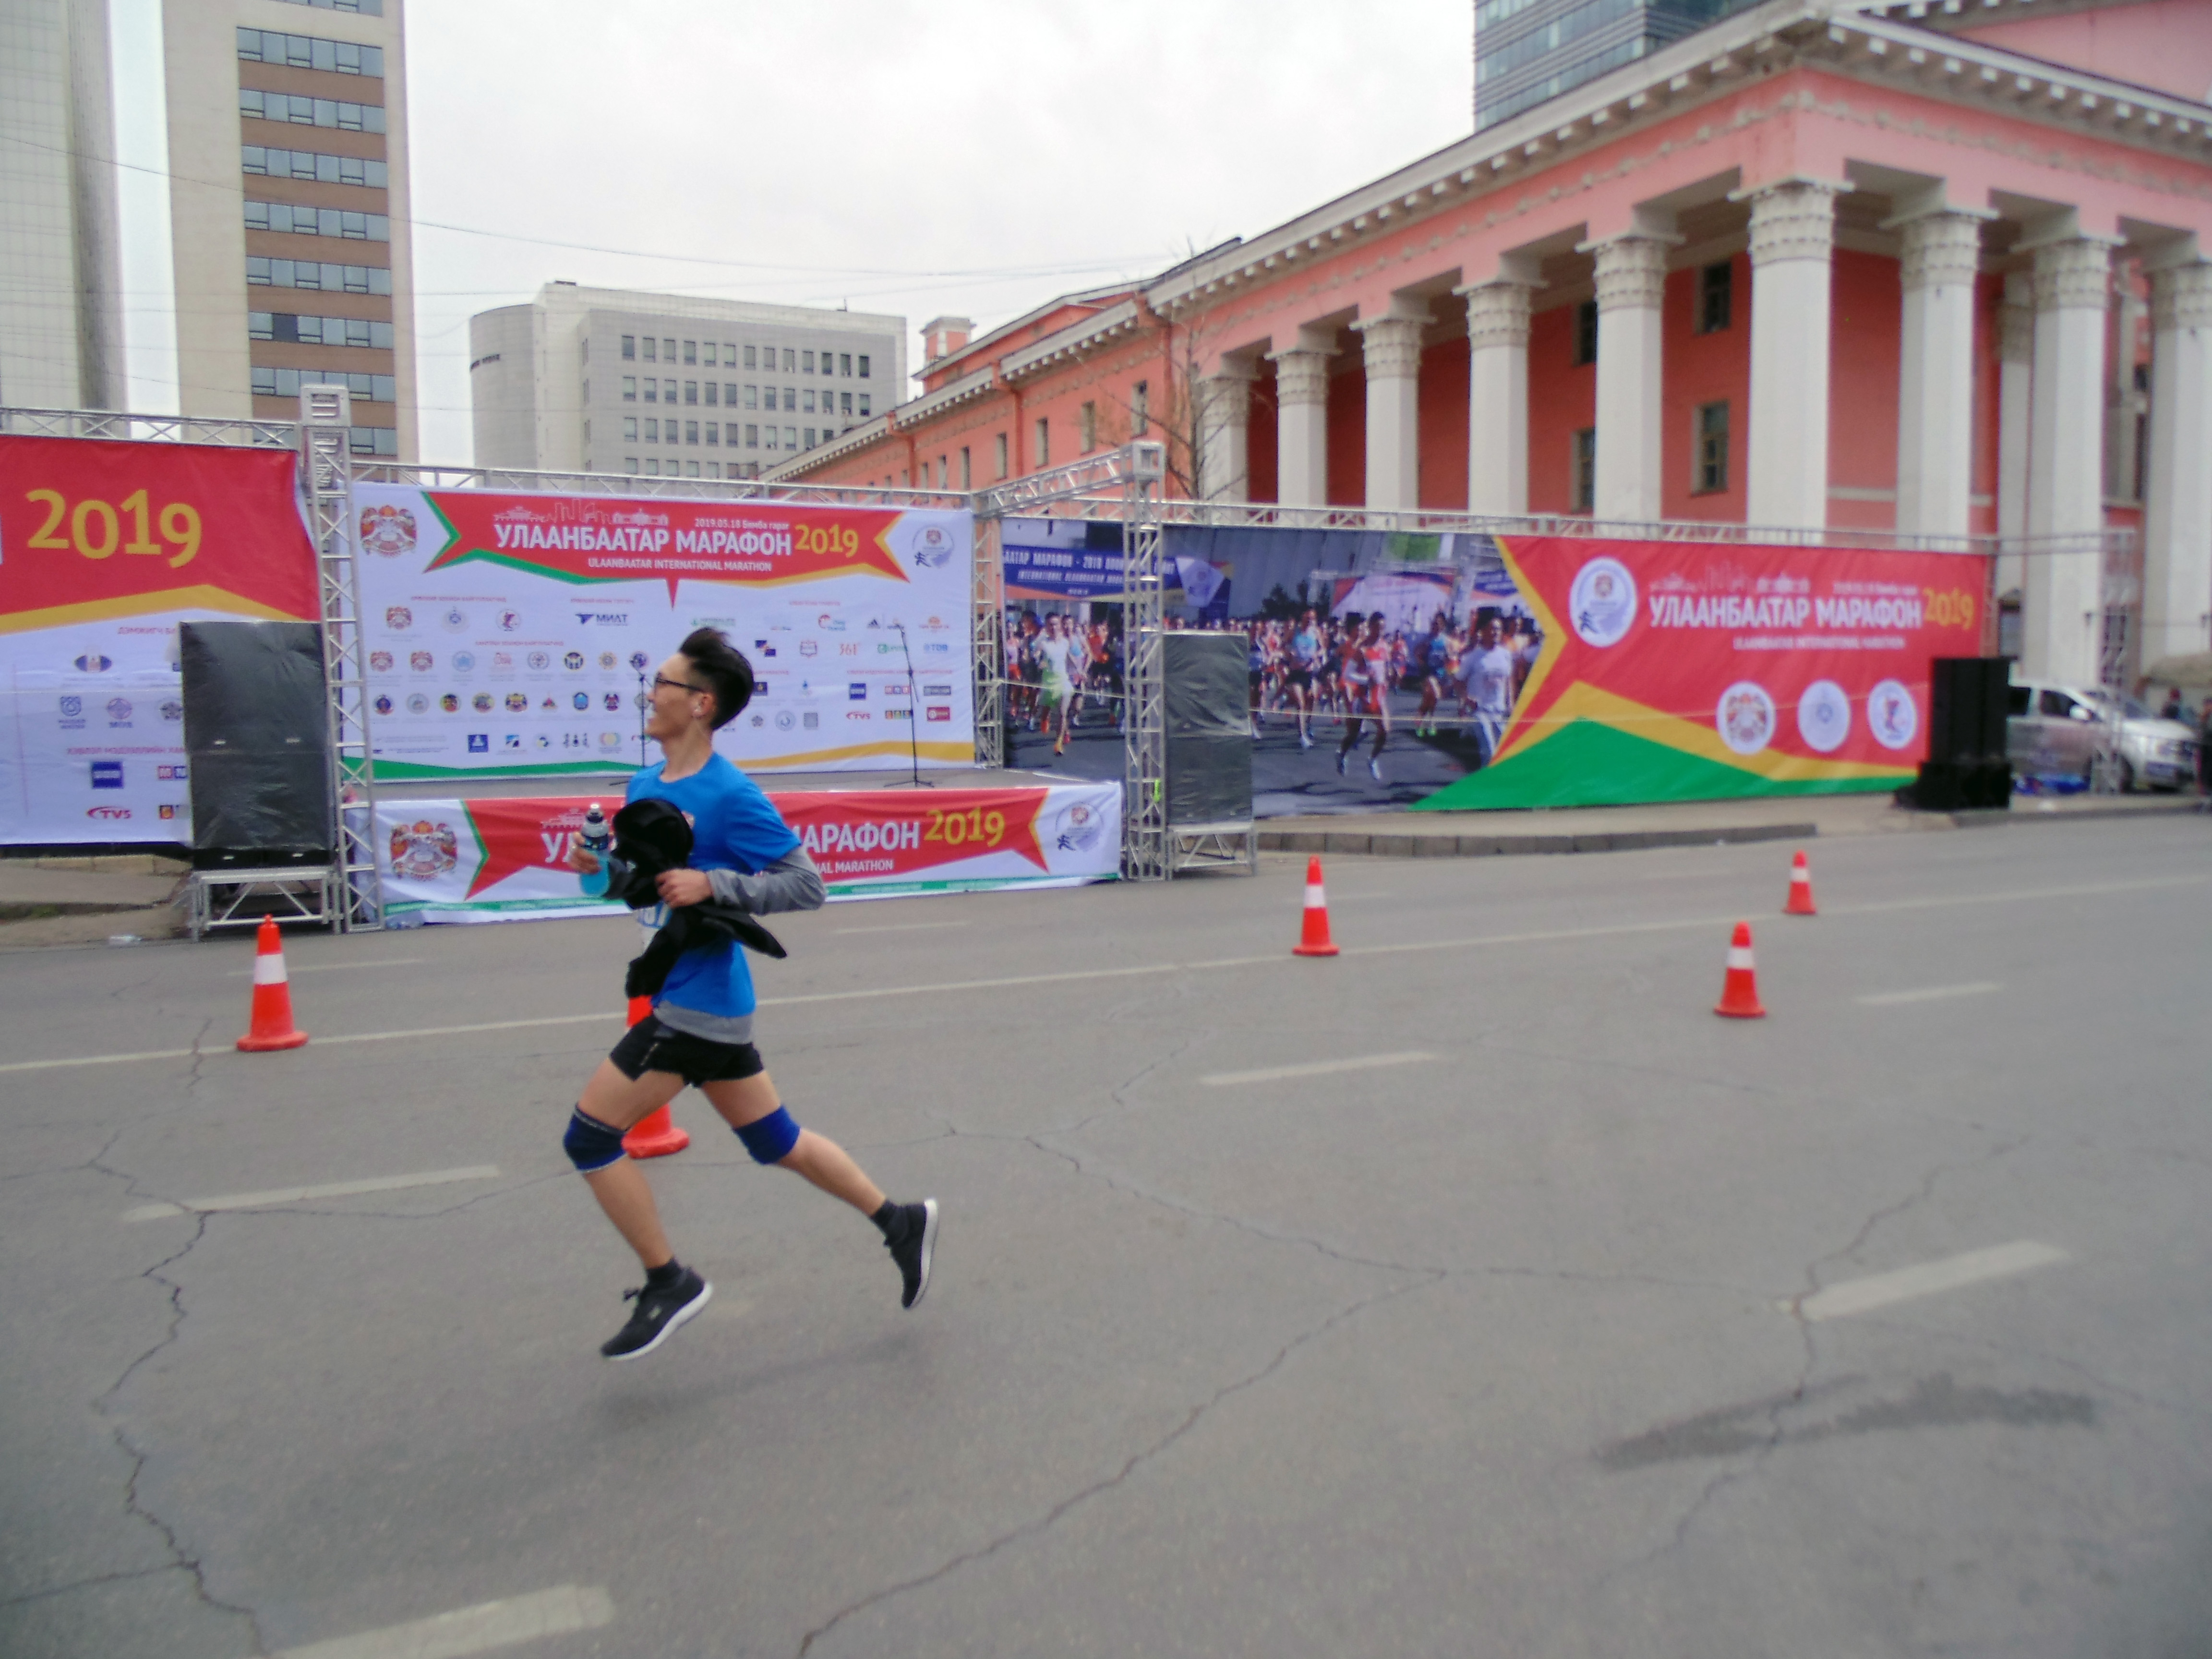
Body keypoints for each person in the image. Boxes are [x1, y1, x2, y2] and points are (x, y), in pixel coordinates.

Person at [564, 627, 937, 1360]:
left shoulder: (732, 795)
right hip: (691, 994)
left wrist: (715, 883)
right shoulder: (645, 787)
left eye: (663, 682)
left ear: (701, 703)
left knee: (590, 1137)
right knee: (778, 1144)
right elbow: (637, 889)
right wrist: (597, 871)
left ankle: (670, 1281)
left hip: (699, 1007)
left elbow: (806, 885)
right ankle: (901, 1222)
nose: (650, 692)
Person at [1335, 614, 1392, 781]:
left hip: (1378, 696)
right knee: (1354, 733)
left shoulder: (1384, 646)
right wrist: (1366, 680)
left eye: (1383, 627)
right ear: (1371, 627)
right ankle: (1342, 753)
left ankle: (1373, 759)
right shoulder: (1362, 649)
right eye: (1378, 627)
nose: (1381, 631)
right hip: (1363, 696)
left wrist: (1389, 675)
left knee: (1385, 730)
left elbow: (1385, 667)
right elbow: (1347, 674)